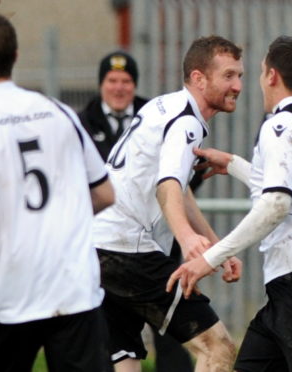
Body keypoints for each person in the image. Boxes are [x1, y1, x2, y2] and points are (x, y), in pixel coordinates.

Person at [0, 1, 115, 371]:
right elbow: (103, 194)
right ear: (15, 56)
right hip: (74, 290)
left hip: (8, 293)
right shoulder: (60, 110)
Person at [168, 35, 292, 372]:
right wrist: (236, 165)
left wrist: (210, 258)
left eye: (253, 73)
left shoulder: (282, 125)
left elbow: (276, 205)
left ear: (271, 76)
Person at [92, 35, 244, 372]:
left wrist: (216, 246)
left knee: (125, 357)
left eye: (240, 76)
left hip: (98, 245)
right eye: (229, 76)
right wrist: (189, 239)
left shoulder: (164, 105)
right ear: (198, 78)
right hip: (129, 251)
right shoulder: (187, 121)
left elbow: (178, 186)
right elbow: (168, 184)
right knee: (216, 347)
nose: (238, 86)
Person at [78, 51, 194, 372]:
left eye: (126, 81)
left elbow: (180, 178)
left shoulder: (155, 115)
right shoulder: (84, 122)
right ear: (101, 84)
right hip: (106, 242)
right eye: (112, 80)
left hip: (157, 237)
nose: (119, 88)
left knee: (172, 326)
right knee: (112, 335)